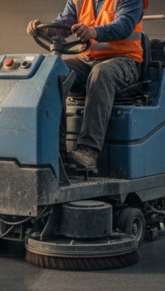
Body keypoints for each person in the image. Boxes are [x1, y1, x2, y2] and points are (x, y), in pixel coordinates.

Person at [27, 0, 148, 171]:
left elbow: (123, 26)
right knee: (54, 71)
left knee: (101, 74)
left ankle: (89, 150)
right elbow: (63, 25)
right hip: (88, 60)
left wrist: (93, 32)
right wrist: (44, 29)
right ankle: (57, 150)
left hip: (125, 60)